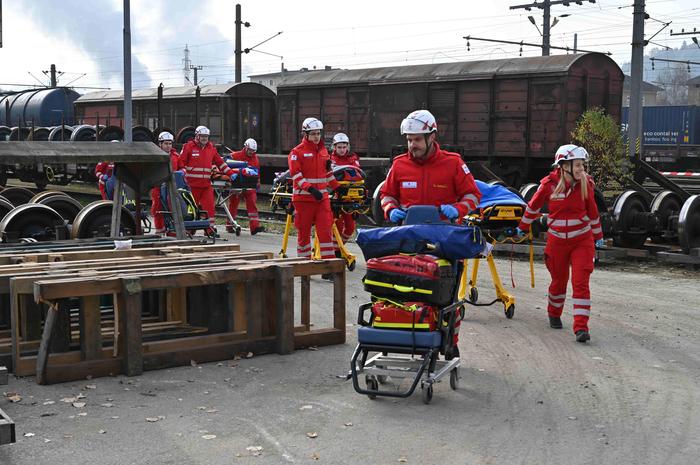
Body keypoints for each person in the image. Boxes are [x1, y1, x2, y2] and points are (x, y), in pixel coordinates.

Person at [379, 109, 482, 356]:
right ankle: (411, 339)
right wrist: (390, 209)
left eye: (416, 139)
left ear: (431, 136)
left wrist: (456, 208)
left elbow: (473, 196)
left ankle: (449, 343)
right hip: (408, 241)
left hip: (444, 242)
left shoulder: (454, 163)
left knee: (445, 299)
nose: (411, 145)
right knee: (406, 294)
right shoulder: (399, 165)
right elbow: (386, 194)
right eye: (408, 139)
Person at [517, 144, 604, 343]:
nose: (582, 169)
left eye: (583, 165)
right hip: (556, 243)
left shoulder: (586, 184)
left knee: (580, 283)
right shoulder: (548, 185)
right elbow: (533, 207)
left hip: (582, 241)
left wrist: (598, 238)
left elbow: (593, 213)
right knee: (559, 282)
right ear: (564, 166)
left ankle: (581, 327)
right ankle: (554, 312)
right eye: (578, 165)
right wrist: (522, 228)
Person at [288, 117, 340, 262]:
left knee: (325, 232)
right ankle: (304, 264)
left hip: (321, 200)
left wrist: (337, 187)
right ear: (305, 134)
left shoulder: (323, 151)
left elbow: (327, 173)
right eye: (313, 134)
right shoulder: (296, 152)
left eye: (318, 133)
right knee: (303, 233)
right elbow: (296, 176)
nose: (316, 137)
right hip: (303, 199)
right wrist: (310, 189)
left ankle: (328, 265)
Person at [178, 125, 240, 233]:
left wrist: (230, 174)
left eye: (206, 137)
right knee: (191, 210)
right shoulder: (188, 147)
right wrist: (182, 172)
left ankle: (210, 229)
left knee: (210, 208)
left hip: (206, 185)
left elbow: (220, 163)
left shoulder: (211, 148)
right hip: (192, 186)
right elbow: (180, 162)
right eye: (202, 136)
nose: (204, 139)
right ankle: (190, 229)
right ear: (197, 136)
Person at [226, 138, 265, 235]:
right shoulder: (235, 155)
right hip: (236, 184)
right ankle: (230, 225)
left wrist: (257, 183)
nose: (251, 152)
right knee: (233, 204)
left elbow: (257, 172)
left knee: (252, 204)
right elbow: (226, 164)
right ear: (245, 147)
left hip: (249, 185)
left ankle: (254, 227)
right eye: (250, 150)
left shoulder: (255, 158)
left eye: (253, 151)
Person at [329, 132, 361, 246]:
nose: (342, 150)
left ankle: (339, 248)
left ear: (348, 146)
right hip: (335, 198)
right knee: (337, 226)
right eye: (339, 147)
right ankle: (336, 251)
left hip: (350, 198)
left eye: (344, 147)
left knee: (350, 228)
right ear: (334, 147)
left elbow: (357, 174)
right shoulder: (330, 159)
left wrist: (343, 174)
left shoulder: (353, 158)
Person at [150, 131, 182, 235]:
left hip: (172, 187)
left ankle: (171, 229)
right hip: (158, 186)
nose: (168, 146)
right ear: (160, 144)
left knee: (173, 207)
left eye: (170, 143)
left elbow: (182, 167)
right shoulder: (155, 156)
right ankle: (159, 229)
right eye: (166, 143)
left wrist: (181, 172)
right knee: (157, 207)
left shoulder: (176, 156)